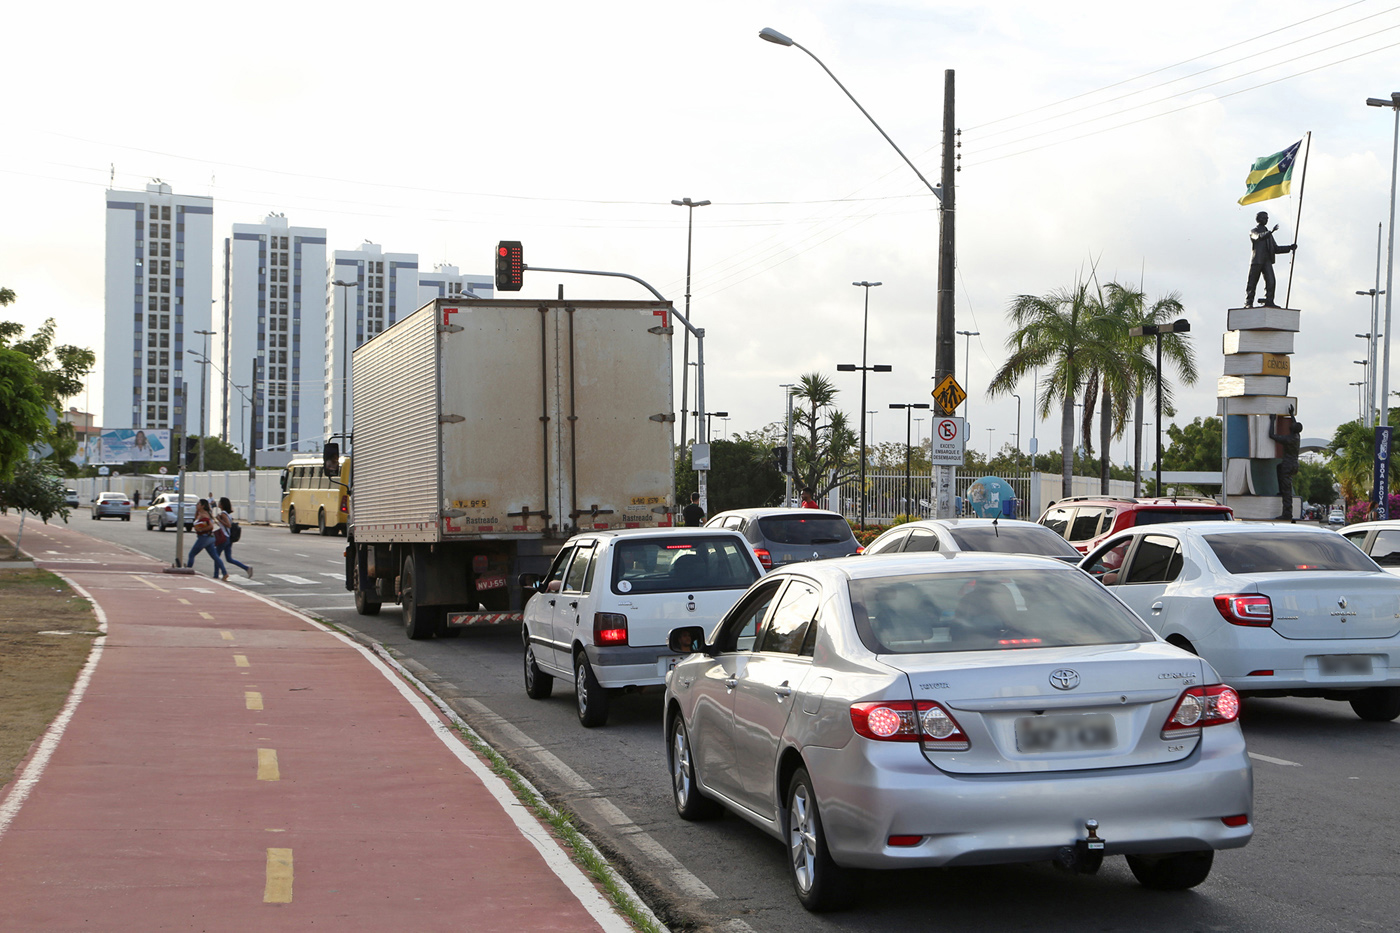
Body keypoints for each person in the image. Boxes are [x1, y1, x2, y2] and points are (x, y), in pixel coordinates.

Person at [1245, 210, 1296, 309]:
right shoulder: (1253, 231)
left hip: (1266, 261)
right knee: (1252, 282)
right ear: (1259, 219)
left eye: (1267, 218)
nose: (1266, 219)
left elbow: (1275, 249)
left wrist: (1289, 248)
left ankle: (1269, 300)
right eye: (1264, 217)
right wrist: (1270, 232)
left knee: (1271, 281)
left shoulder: (1269, 234)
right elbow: (1258, 237)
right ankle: (1248, 302)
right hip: (1257, 261)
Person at [1268, 409, 1302, 523]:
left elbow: (1271, 435)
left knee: (1287, 493)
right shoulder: (1297, 436)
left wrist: (1272, 420)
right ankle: (1281, 490)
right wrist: (1292, 415)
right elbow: (1295, 425)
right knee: (1279, 468)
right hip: (1293, 465)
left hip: (1288, 466)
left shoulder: (1288, 439)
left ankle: (1287, 513)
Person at [186, 499, 227, 579]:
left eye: (198, 504)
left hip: (204, 537)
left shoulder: (204, 515)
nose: (196, 505)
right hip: (209, 538)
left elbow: (211, 526)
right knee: (215, 556)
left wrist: (200, 530)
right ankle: (224, 572)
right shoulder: (201, 513)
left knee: (191, 554)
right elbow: (196, 522)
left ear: (203, 506)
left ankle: (188, 570)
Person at [215, 496, 253, 579]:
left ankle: (217, 574)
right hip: (228, 538)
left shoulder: (223, 514)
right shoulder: (227, 514)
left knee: (216, 556)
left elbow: (228, 525)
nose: (218, 504)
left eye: (219, 502)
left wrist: (219, 519)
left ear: (222, 504)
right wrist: (219, 522)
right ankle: (246, 568)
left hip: (224, 538)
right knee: (229, 559)